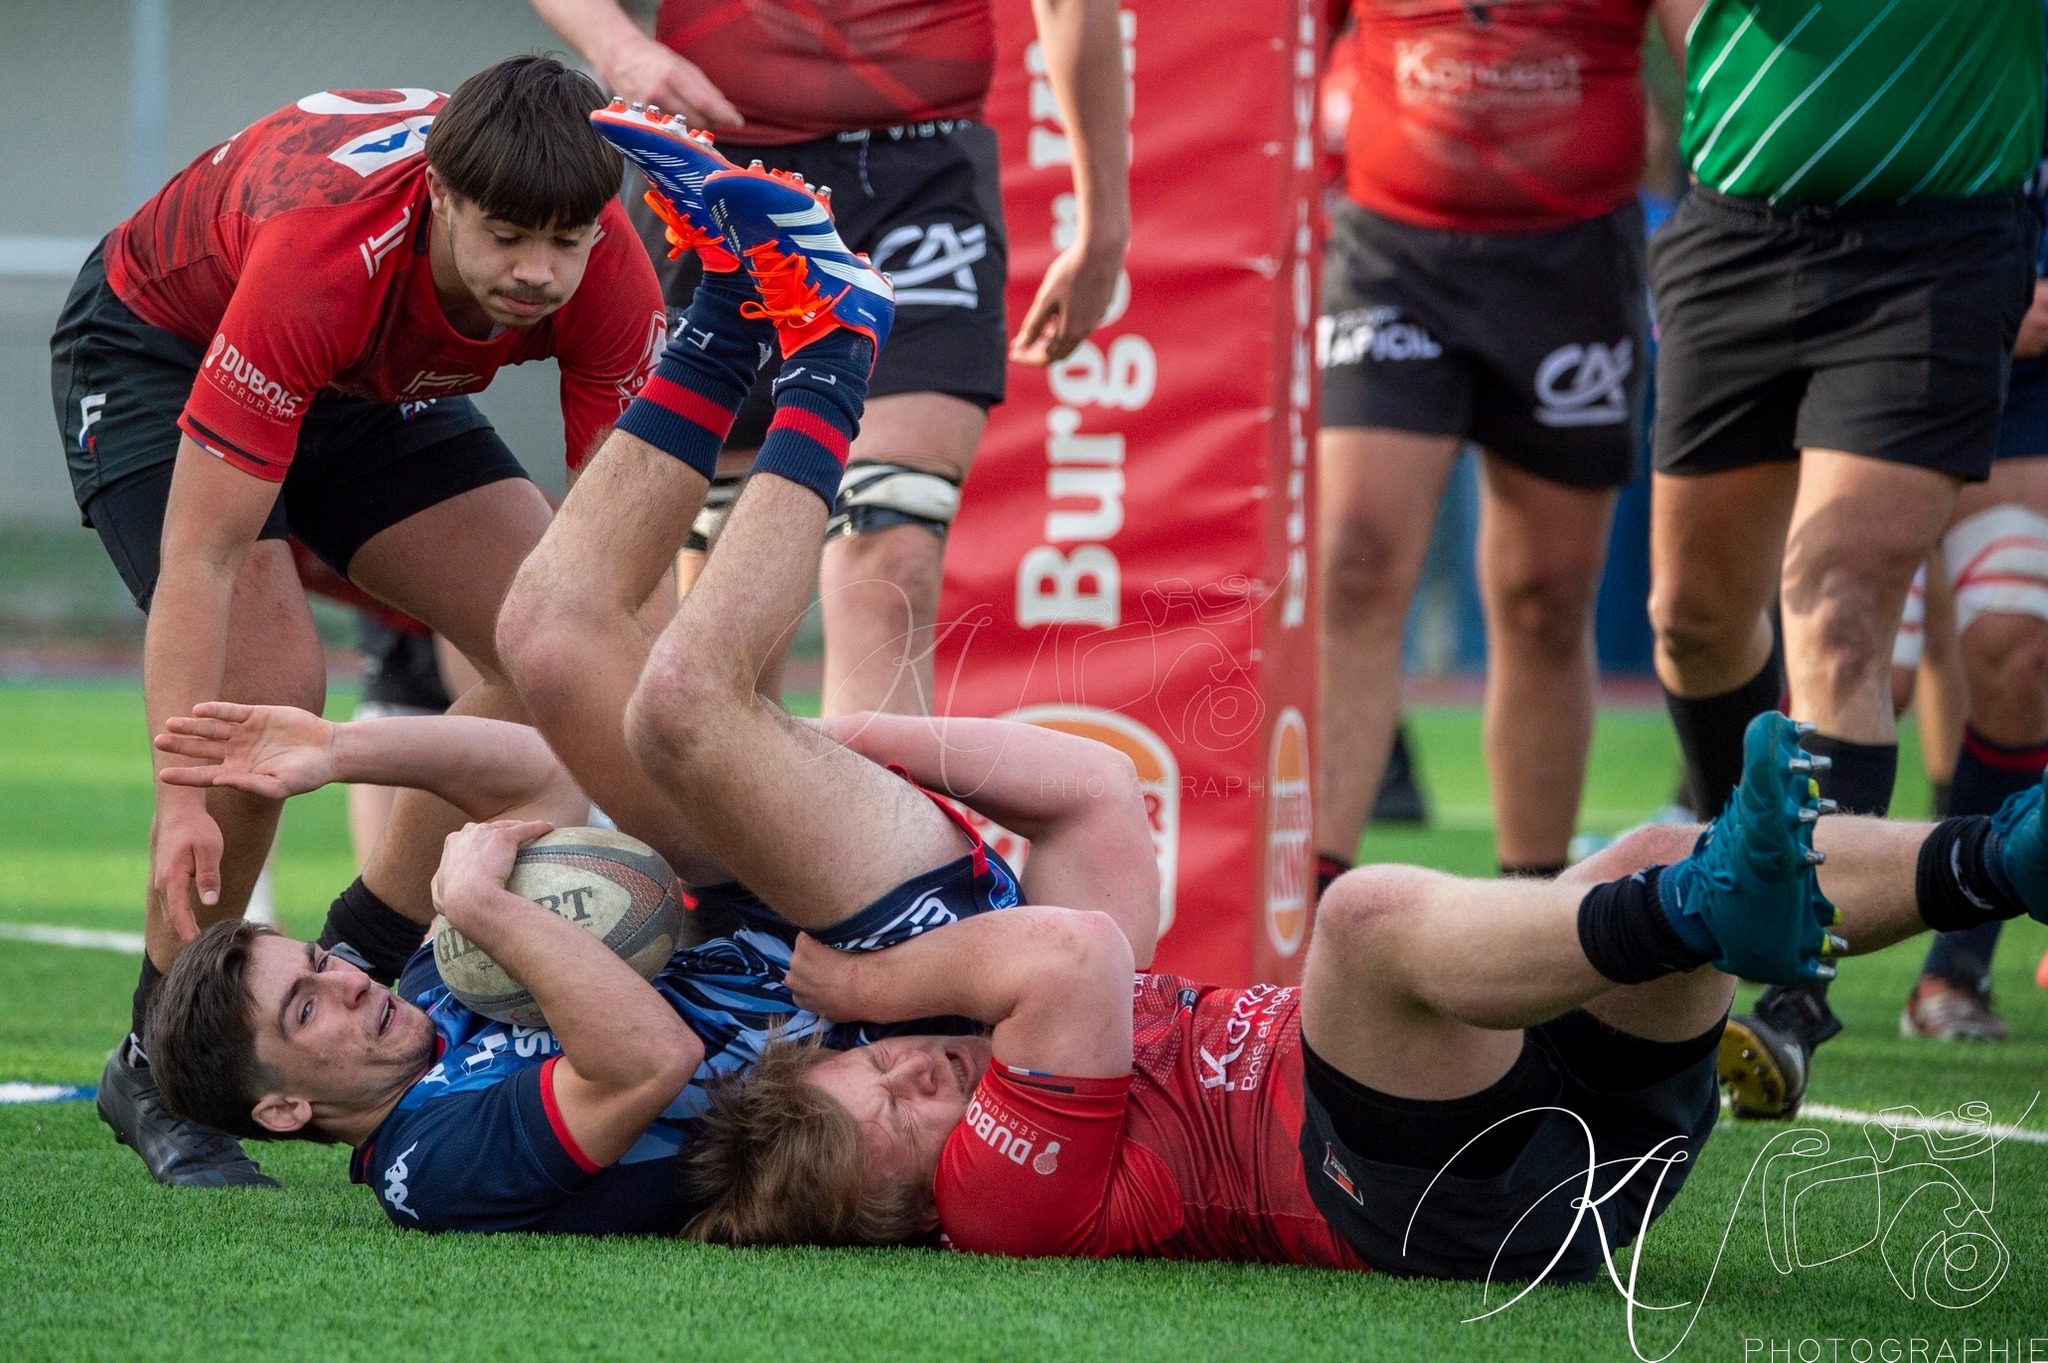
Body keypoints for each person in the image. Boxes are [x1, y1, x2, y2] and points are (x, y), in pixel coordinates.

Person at [681, 710, 2048, 1272]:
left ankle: (1999, 853)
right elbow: (1077, 950)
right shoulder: (992, 1199)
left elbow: (1090, 785)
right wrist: (862, 977)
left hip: (1520, 1141)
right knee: (1365, 917)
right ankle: (1709, 911)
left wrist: (814, 737)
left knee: (1654, 860)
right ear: (886, 1202)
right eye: (899, 1109)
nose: (922, 1069)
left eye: (874, 1059)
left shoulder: (1004, 1060)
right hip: (1426, 1199)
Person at [49, 57, 667, 1186]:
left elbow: (627, 572)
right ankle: (153, 1047)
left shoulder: (604, 264)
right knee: (272, 685)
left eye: (565, 242)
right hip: (161, 347)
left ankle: (369, 949)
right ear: (438, 193)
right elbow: (204, 555)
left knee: (561, 649)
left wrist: (665, 772)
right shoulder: (323, 254)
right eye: (506, 236)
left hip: (369, 384)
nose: (537, 274)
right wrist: (179, 796)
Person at [1644, 0, 2044, 1115]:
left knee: (1833, 601)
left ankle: (1790, 989)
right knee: (1690, 615)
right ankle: (1745, 879)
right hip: (1735, 223)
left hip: (1939, 242)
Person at [531, 0, 1131, 716]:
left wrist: (1104, 225)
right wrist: (616, 44)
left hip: (922, 175)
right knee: (726, 588)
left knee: (893, 548)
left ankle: (875, 823)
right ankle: (727, 819)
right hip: (720, 167)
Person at [1315, 0, 1692, 890]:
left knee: (1547, 595)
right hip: (1388, 248)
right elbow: (1281, 49)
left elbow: (1712, 58)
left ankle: (1529, 916)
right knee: (1354, 558)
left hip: (1571, 262)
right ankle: (1312, 910)